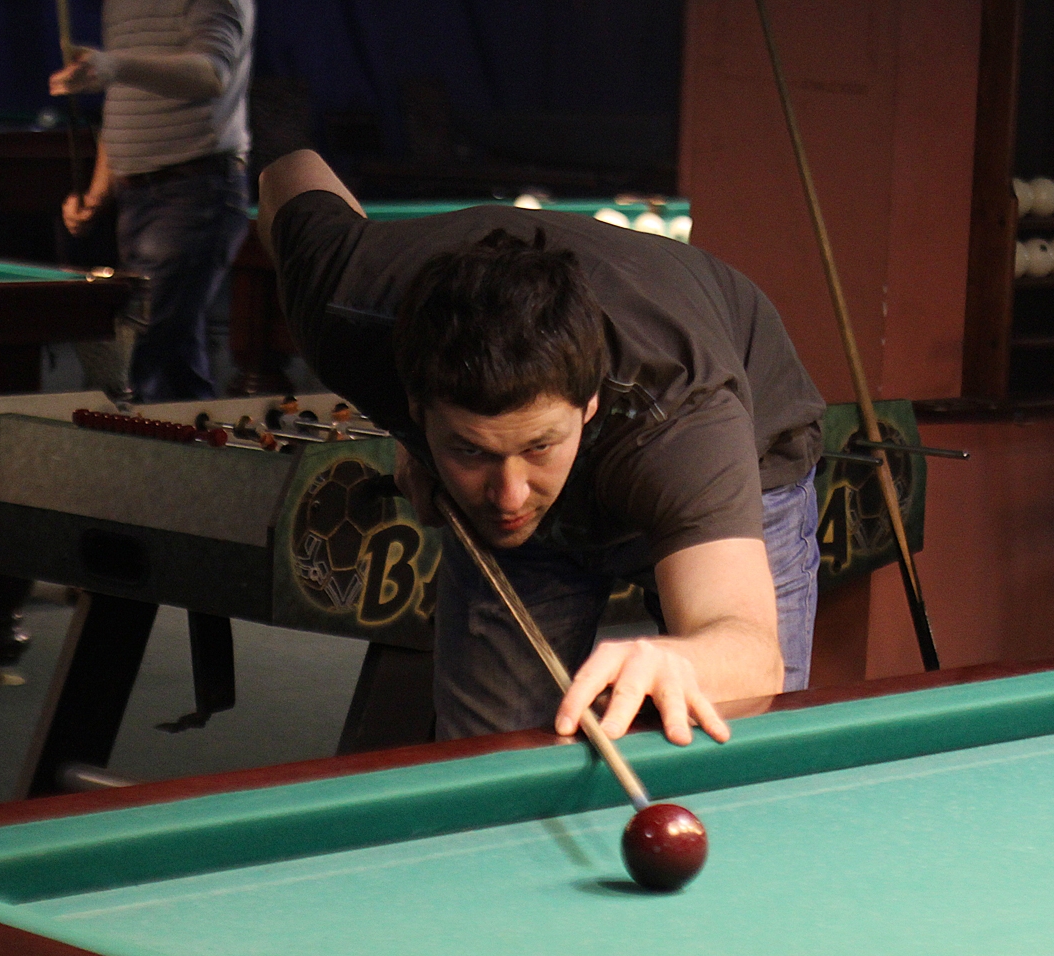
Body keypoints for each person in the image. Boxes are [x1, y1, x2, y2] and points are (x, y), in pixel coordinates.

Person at [257, 150, 827, 747]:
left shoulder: (682, 419)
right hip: (530, 470)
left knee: (741, 736)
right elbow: (289, 171)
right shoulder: (345, 302)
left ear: (589, 405)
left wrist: (689, 659)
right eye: (471, 450)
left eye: (539, 446)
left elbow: (750, 652)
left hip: (740, 448)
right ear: (419, 407)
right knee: (493, 755)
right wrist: (416, 442)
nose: (509, 494)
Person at [51, 0, 254, 403]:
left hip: (194, 191)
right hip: (137, 198)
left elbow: (212, 74)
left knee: (138, 356)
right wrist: (97, 192)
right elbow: (124, 101)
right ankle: (199, 442)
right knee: (171, 368)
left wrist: (115, 66)